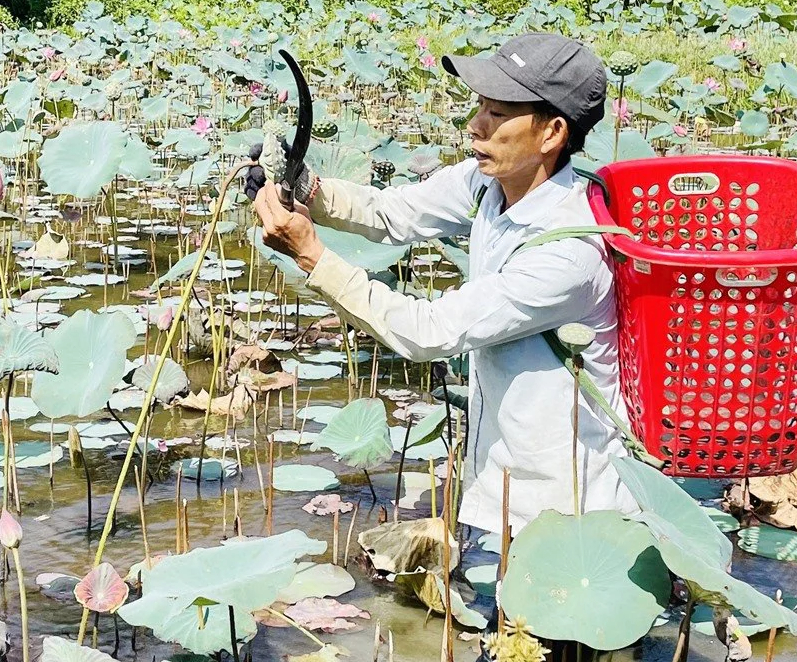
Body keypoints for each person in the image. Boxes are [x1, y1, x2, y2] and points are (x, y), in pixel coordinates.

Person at [252, 32, 631, 539]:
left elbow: (428, 331)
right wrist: (304, 187)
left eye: (496, 115)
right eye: (479, 107)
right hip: (496, 489)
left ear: (552, 133)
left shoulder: (568, 253)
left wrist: (309, 254)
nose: (474, 126)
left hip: (566, 506)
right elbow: (392, 213)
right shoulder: (488, 184)